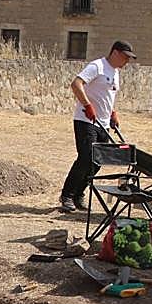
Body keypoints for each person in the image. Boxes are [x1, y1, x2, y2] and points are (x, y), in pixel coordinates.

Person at [58, 40, 137, 213]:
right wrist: (87, 105)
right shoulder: (97, 66)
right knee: (86, 157)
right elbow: (76, 84)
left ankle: (79, 194)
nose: (127, 62)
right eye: (125, 57)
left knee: (98, 161)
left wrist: (112, 113)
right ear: (115, 53)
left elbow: (107, 96)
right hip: (86, 120)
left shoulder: (115, 72)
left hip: (103, 122)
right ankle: (67, 196)